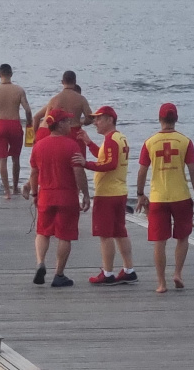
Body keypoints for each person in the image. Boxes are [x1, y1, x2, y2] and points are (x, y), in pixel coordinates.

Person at [135, 102, 194, 293]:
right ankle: (178, 273)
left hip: (158, 198)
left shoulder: (149, 142)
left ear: (159, 119)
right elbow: (193, 170)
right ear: (176, 119)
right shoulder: (185, 141)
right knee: (182, 237)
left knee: (160, 241)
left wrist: (140, 194)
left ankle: (161, 283)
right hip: (181, 196)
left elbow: (141, 171)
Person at [29, 109, 90, 287]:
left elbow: (34, 172)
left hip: (46, 194)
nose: (70, 125)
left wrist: (34, 193)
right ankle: (59, 274)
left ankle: (40, 262)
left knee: (42, 232)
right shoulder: (71, 145)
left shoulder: (39, 146)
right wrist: (85, 194)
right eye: (67, 122)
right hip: (66, 195)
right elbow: (78, 171)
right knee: (65, 235)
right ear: (60, 124)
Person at [80, 106, 137, 285]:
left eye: (99, 119)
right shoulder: (119, 138)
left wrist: (86, 164)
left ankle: (108, 272)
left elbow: (110, 164)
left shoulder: (111, 139)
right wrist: (89, 143)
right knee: (120, 232)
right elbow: (104, 156)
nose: (95, 122)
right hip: (119, 191)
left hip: (108, 193)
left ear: (110, 120)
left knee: (105, 234)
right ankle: (129, 269)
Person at [0, 63, 33, 199]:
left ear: (0, 75)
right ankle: (15, 189)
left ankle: (7, 192)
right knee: (16, 158)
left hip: (0, 124)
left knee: (2, 160)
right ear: (11, 74)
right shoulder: (19, 90)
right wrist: (29, 124)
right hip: (15, 124)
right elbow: (28, 110)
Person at [38, 71, 94, 154]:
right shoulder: (81, 99)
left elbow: (48, 121)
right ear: (75, 82)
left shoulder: (54, 100)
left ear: (62, 82)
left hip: (59, 133)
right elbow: (90, 118)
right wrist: (82, 122)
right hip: (76, 133)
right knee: (78, 162)